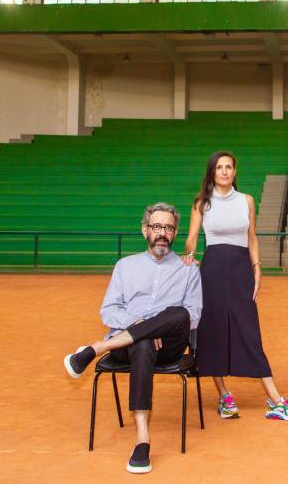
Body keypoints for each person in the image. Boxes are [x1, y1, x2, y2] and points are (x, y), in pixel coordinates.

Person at [63, 202, 202, 475]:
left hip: (169, 347)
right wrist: (138, 326)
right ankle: (142, 439)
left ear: (175, 233)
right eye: (157, 227)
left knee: (178, 313)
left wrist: (156, 328)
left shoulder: (188, 269)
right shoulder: (125, 266)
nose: (163, 233)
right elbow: (109, 310)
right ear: (144, 230)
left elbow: (193, 316)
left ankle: (96, 348)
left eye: (169, 228)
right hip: (129, 346)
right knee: (142, 342)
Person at [181, 151, 288, 422]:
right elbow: (191, 238)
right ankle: (224, 396)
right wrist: (189, 254)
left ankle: (275, 401)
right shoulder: (202, 202)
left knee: (249, 331)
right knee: (211, 331)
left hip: (240, 270)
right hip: (211, 270)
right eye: (219, 167)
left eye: (228, 167)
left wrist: (257, 268)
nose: (224, 172)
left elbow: (252, 238)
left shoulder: (246, 200)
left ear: (235, 171)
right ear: (212, 172)